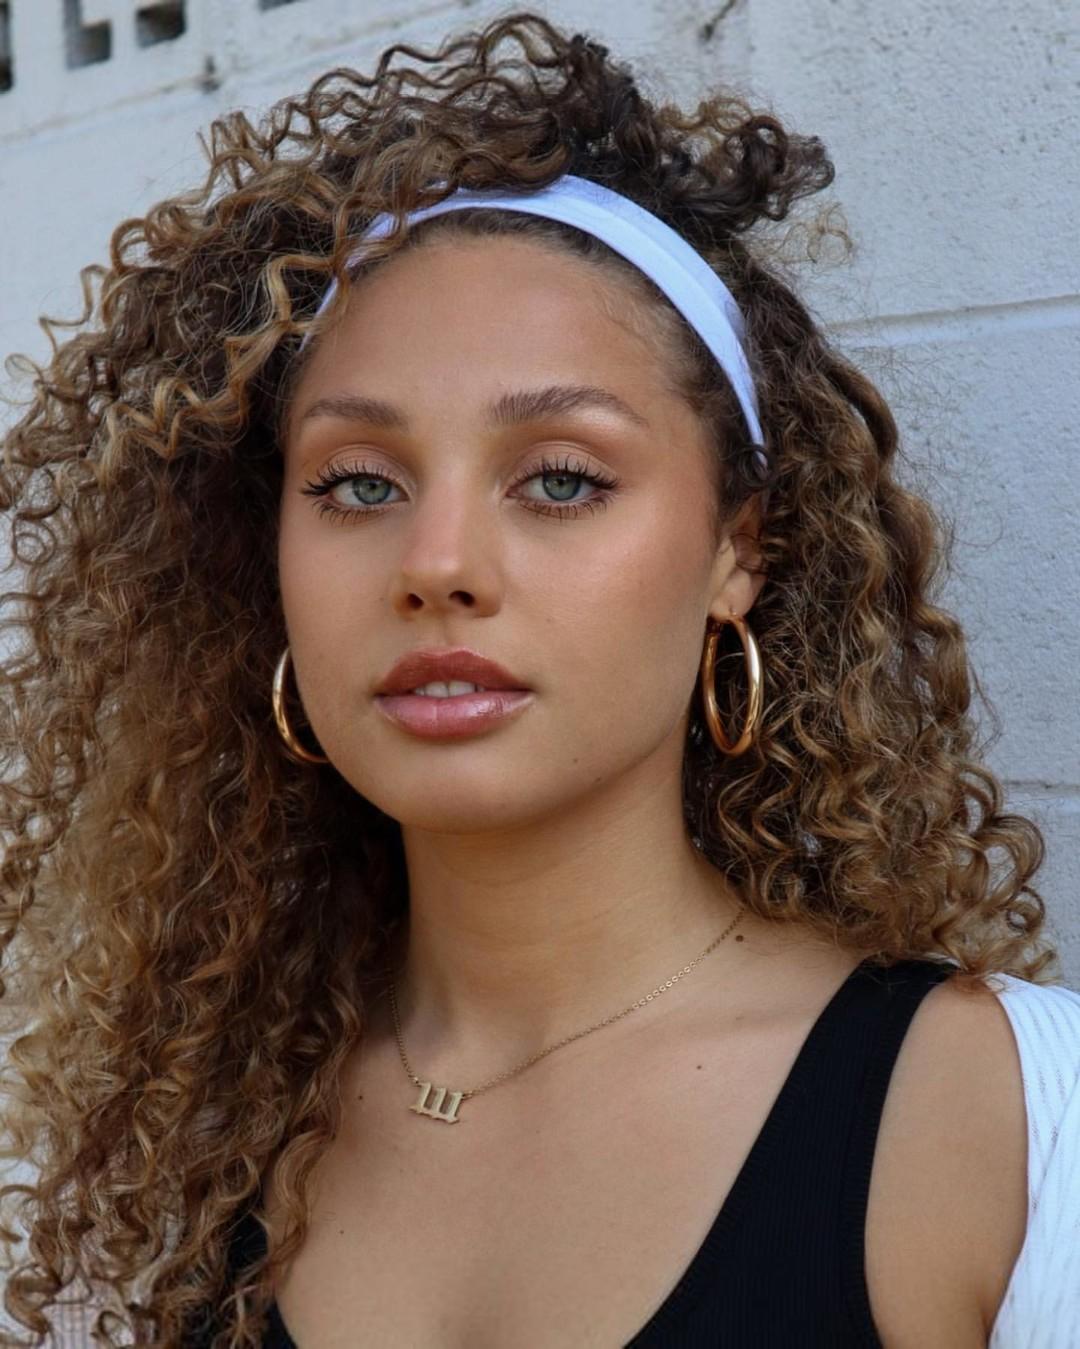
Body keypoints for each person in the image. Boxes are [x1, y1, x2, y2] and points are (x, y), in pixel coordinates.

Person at [1, 10, 1077, 1348]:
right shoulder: (186, 1152)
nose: (438, 564)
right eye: (358, 485)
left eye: (561, 479)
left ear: (738, 551)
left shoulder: (1000, 1122)